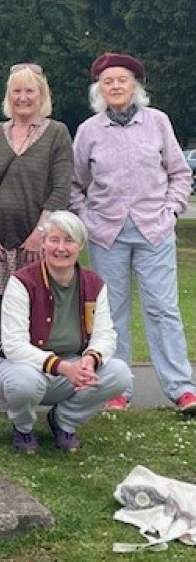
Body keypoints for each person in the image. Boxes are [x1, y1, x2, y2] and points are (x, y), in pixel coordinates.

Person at [70, 52, 196, 413]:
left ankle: (182, 388)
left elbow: (180, 173)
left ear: (135, 86)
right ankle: (117, 388)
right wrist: (87, 218)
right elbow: (75, 184)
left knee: (163, 309)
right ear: (99, 89)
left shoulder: (157, 122)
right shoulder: (89, 131)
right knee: (112, 312)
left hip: (153, 229)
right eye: (108, 81)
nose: (115, 86)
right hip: (106, 232)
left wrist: (171, 210)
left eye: (122, 80)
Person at [0, 211, 133, 452]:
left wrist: (89, 360)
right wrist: (63, 367)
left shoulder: (94, 284)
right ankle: (23, 428)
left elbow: (106, 334)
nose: (61, 248)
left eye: (69, 241)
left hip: (72, 366)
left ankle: (63, 421)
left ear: (81, 246)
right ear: (43, 243)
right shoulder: (21, 282)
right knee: (24, 383)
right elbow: (13, 345)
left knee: (120, 373)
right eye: (54, 240)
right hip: (24, 366)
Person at [0, 63, 73, 340]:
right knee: (4, 319)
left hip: (38, 241)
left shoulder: (57, 133)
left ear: (41, 95)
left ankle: (43, 376)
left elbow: (61, 188)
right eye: (16, 91)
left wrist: (40, 234)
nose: (23, 97)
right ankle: (6, 375)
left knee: (39, 315)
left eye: (29, 90)